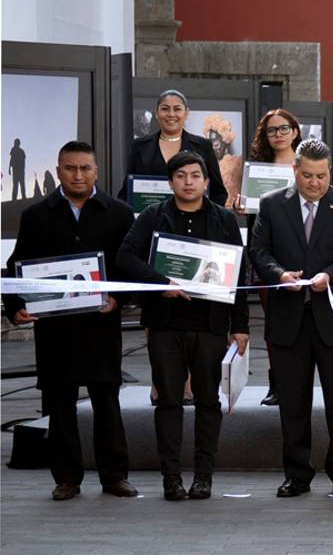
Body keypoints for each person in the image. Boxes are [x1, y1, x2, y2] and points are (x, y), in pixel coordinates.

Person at [3, 141, 137, 501]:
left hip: (101, 327)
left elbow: (130, 266)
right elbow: (17, 265)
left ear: (96, 171)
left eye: (85, 168)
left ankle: (115, 477)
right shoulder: (35, 215)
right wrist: (14, 305)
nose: (78, 175)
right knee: (59, 404)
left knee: (106, 401)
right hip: (55, 329)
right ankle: (66, 478)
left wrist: (119, 298)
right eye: (70, 168)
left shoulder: (120, 214)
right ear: (59, 170)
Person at [116, 150, 249, 501]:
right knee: (168, 402)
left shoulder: (224, 219)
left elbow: (239, 274)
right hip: (165, 326)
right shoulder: (153, 216)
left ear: (206, 181)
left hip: (211, 326)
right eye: (180, 176)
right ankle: (171, 478)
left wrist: (240, 326)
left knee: (208, 402)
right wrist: (160, 282)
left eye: (195, 176)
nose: (188, 182)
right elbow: (124, 256)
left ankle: (204, 477)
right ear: (170, 182)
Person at [249, 138, 333, 499]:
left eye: (322, 176)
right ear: (294, 170)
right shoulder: (272, 204)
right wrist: (279, 274)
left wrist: (330, 275)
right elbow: (259, 251)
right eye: (307, 176)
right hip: (289, 320)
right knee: (292, 403)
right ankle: (297, 475)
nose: (315, 183)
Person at [242, 108, 302, 407]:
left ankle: (298, 381)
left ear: (295, 131)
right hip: (268, 255)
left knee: (303, 320)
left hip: (303, 250)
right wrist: (242, 205)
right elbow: (254, 219)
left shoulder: (307, 165)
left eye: (283, 128)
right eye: (271, 130)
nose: (278, 134)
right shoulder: (256, 170)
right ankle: (277, 382)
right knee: (274, 321)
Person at [119, 89, 228, 208]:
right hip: (149, 217)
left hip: (193, 218)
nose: (171, 114)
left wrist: (206, 216)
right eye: (165, 109)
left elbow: (218, 193)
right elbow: (127, 192)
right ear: (157, 113)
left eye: (177, 109)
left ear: (186, 113)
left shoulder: (203, 146)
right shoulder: (140, 146)